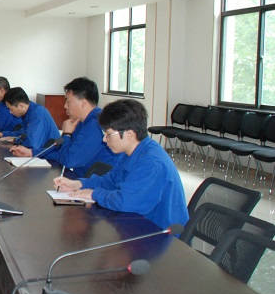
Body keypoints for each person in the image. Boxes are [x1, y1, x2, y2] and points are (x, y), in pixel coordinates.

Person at [53, 99, 189, 231]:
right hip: (139, 221)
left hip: (160, 232)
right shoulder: (131, 152)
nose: (104, 139)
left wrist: (94, 194)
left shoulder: (151, 162)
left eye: (108, 134)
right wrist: (78, 184)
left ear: (129, 133)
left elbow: (127, 201)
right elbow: (110, 181)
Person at [9, 77, 120, 176]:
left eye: (68, 101)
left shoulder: (95, 124)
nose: (65, 106)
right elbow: (61, 151)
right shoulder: (81, 121)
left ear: (83, 103)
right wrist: (32, 152)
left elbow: (69, 160)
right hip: (81, 178)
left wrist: (67, 134)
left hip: (94, 185)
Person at [1, 87, 60, 152]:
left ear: (20, 105)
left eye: (11, 109)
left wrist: (15, 140)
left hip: (49, 154)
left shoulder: (37, 113)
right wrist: (2, 134)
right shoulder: (28, 112)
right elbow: (23, 133)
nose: (10, 112)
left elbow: (31, 142)